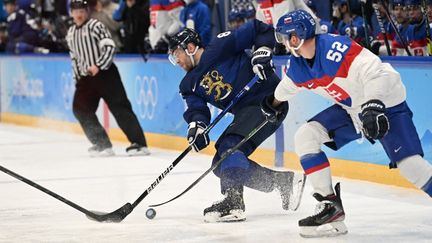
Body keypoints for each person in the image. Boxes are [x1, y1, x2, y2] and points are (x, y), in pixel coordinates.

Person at [261, 9, 432, 237]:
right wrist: (272, 103)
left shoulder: (335, 49)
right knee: (306, 136)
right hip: (353, 110)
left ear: (296, 37)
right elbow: (287, 88)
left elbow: (378, 72)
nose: (283, 43)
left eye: (284, 37)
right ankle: (330, 206)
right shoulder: (299, 64)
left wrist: (373, 103)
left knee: (411, 167)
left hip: (385, 103)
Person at [167, 23, 304, 222]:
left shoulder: (219, 46)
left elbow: (259, 29)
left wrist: (263, 51)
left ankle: (233, 201)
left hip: (269, 101)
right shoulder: (188, 84)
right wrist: (196, 126)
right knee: (220, 164)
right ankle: (283, 182)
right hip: (246, 112)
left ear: (190, 47)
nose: (176, 60)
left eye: (176, 54)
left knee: (229, 147)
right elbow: (197, 110)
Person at [66, 0, 150, 157]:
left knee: (120, 107)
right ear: (71, 13)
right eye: (76, 11)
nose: (79, 14)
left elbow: (109, 46)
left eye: (82, 11)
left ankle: (139, 143)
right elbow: (74, 57)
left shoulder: (95, 26)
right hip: (86, 78)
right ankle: (102, 144)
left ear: (87, 11)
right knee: (80, 110)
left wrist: (98, 65)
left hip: (106, 74)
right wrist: (77, 77)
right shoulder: (71, 32)